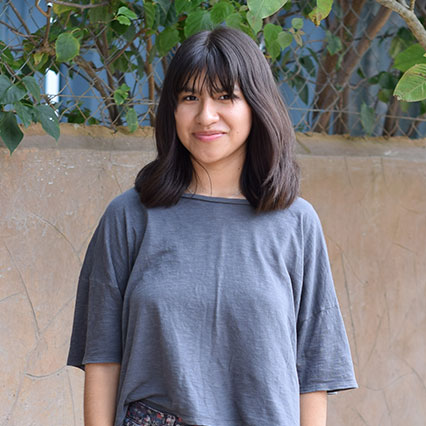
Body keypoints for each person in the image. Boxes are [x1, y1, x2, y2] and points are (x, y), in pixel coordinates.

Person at [67, 27, 357, 426]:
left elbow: (314, 370)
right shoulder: (128, 217)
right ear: (172, 110)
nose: (205, 115)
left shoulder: (296, 223)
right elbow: (102, 357)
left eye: (225, 96)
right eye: (190, 97)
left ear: (256, 105)